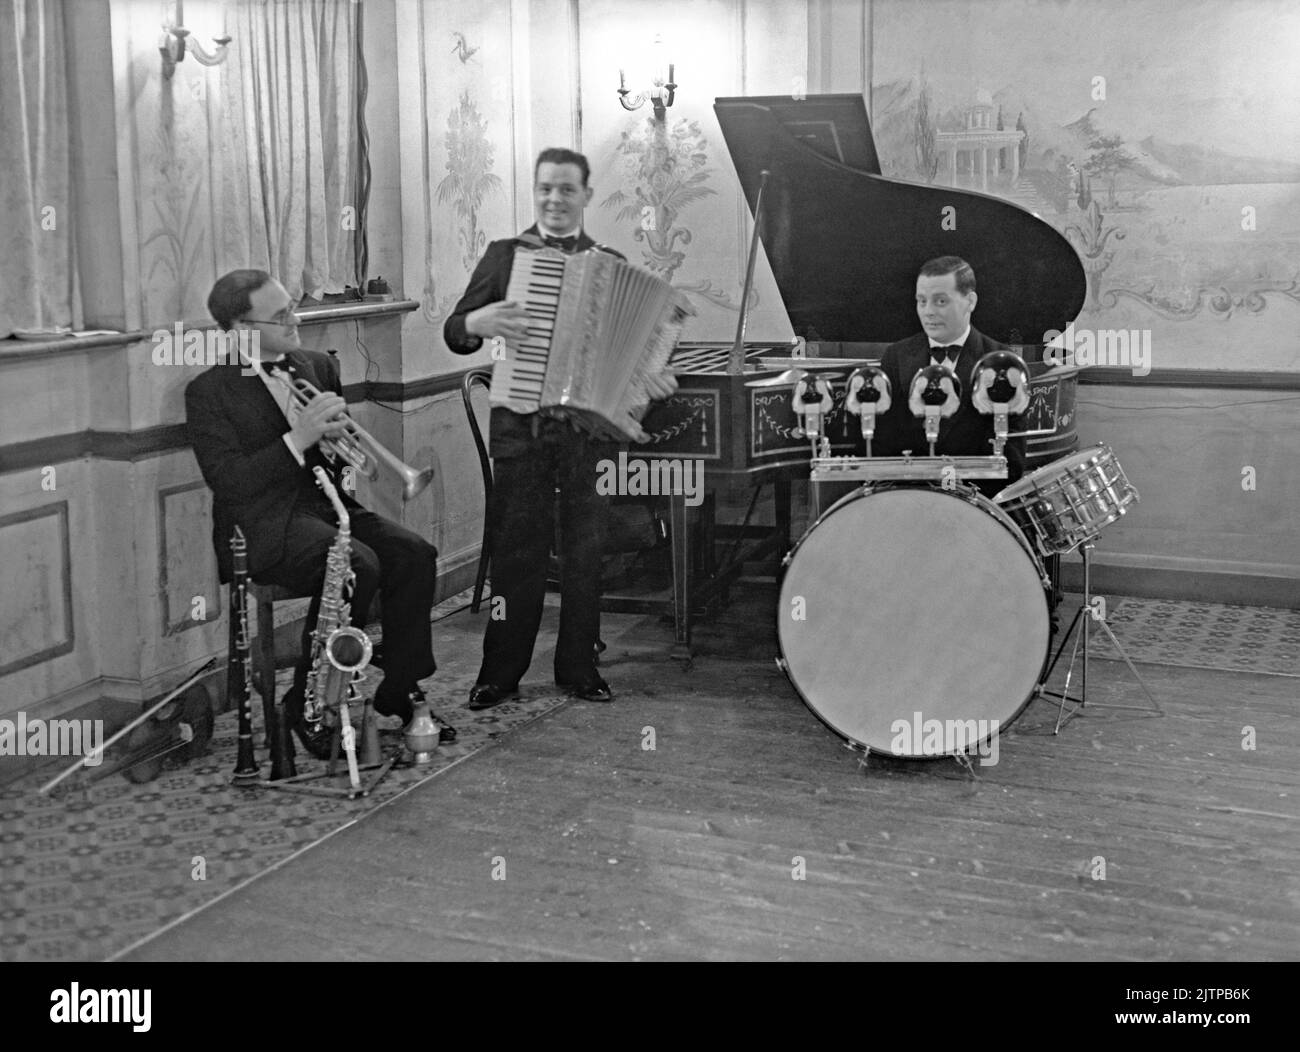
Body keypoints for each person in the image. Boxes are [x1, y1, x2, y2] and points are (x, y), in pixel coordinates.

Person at [444, 147, 677, 710]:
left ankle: (579, 666)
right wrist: (476, 321)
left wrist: (652, 378)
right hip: (521, 430)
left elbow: (637, 350)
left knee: (585, 552)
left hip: (586, 435)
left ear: (586, 196)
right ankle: (500, 673)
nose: (554, 198)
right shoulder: (505, 256)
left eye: (566, 189)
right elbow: (456, 331)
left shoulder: (609, 262)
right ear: (536, 191)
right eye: (545, 188)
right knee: (516, 555)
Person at [186, 269, 452, 757]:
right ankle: (306, 703)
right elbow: (230, 482)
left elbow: (341, 459)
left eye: (292, 307)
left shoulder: (315, 366)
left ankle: (400, 688)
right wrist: (297, 439)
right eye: (281, 314)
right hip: (262, 525)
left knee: (414, 553)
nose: (296, 319)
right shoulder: (209, 391)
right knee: (355, 563)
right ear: (241, 327)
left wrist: (331, 442)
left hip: (325, 506)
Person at [872, 255, 1026, 499]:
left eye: (941, 301)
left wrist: (957, 494)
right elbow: (882, 444)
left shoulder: (1001, 362)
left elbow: (1012, 461)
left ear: (970, 301)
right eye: (921, 301)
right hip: (908, 498)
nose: (928, 312)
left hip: (978, 503)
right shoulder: (896, 357)